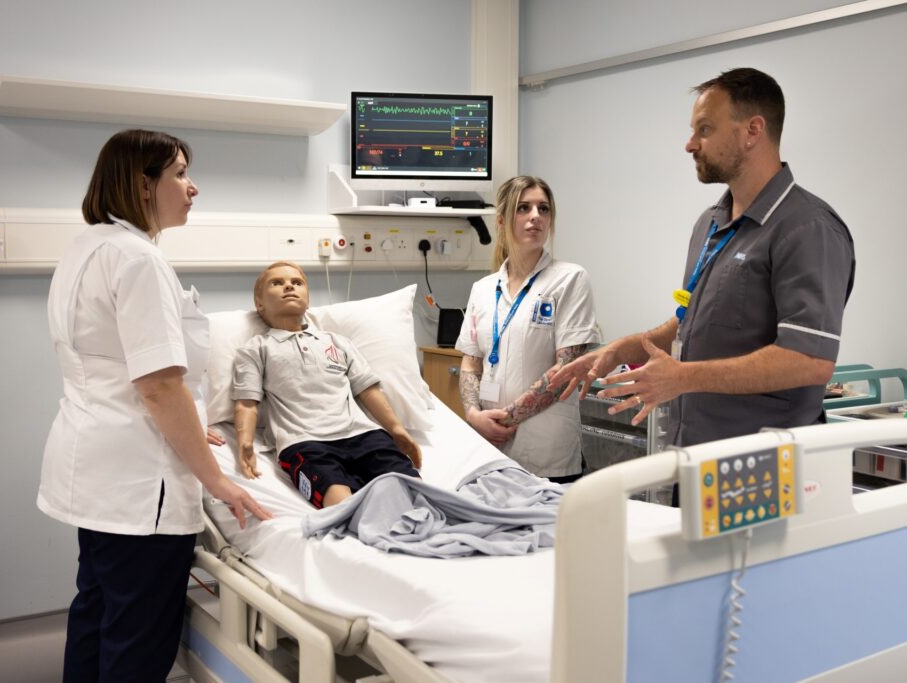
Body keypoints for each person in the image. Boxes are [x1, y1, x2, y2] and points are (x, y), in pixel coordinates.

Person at [38, 129, 272, 682]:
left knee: (95, 614)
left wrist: (191, 428)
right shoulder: (138, 260)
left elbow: (121, 372)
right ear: (145, 185)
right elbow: (159, 387)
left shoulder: (88, 246)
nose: (193, 188)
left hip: (94, 465)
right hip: (139, 486)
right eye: (181, 174)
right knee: (137, 640)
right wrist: (216, 479)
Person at [550, 67, 855, 456]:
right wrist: (625, 349)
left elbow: (809, 360)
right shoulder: (710, 223)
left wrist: (682, 378)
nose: (690, 144)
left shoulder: (807, 228)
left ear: (752, 131)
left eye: (705, 130)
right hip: (694, 454)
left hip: (763, 467)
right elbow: (693, 321)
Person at [232, 261, 422, 508]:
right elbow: (247, 404)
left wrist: (397, 429)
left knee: (413, 492)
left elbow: (367, 389)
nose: (289, 285)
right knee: (340, 502)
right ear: (259, 304)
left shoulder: (337, 342)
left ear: (307, 300)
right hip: (304, 442)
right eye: (277, 283)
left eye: (297, 283)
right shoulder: (256, 349)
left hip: (363, 434)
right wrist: (244, 441)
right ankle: (369, 526)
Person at [456, 176, 600, 483]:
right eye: (524, 208)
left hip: (546, 451)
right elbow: (470, 362)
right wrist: (473, 416)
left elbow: (568, 369)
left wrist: (505, 419)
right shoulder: (482, 290)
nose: (536, 216)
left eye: (543, 209)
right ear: (501, 221)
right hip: (489, 448)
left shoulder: (569, 279)